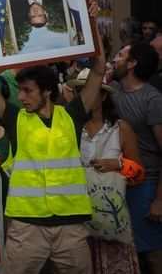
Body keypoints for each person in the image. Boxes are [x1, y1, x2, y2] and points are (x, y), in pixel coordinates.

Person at [0, 0, 104, 274]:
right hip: (26, 225)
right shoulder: (14, 118)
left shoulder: (72, 115)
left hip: (71, 224)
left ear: (46, 91)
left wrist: (92, 23)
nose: (21, 97)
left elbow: (98, 71)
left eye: (28, 91)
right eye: (19, 91)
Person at [67, 68, 144, 273]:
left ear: (102, 95)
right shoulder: (70, 130)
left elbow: (138, 174)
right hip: (79, 217)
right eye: (80, 91)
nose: (85, 96)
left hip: (113, 217)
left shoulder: (120, 128)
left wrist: (117, 166)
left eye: (90, 90)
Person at [109, 42, 162, 272]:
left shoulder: (152, 100)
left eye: (120, 56)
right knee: (125, 255)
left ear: (132, 64)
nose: (115, 59)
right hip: (118, 182)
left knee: (151, 253)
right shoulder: (113, 91)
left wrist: (160, 199)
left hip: (146, 184)